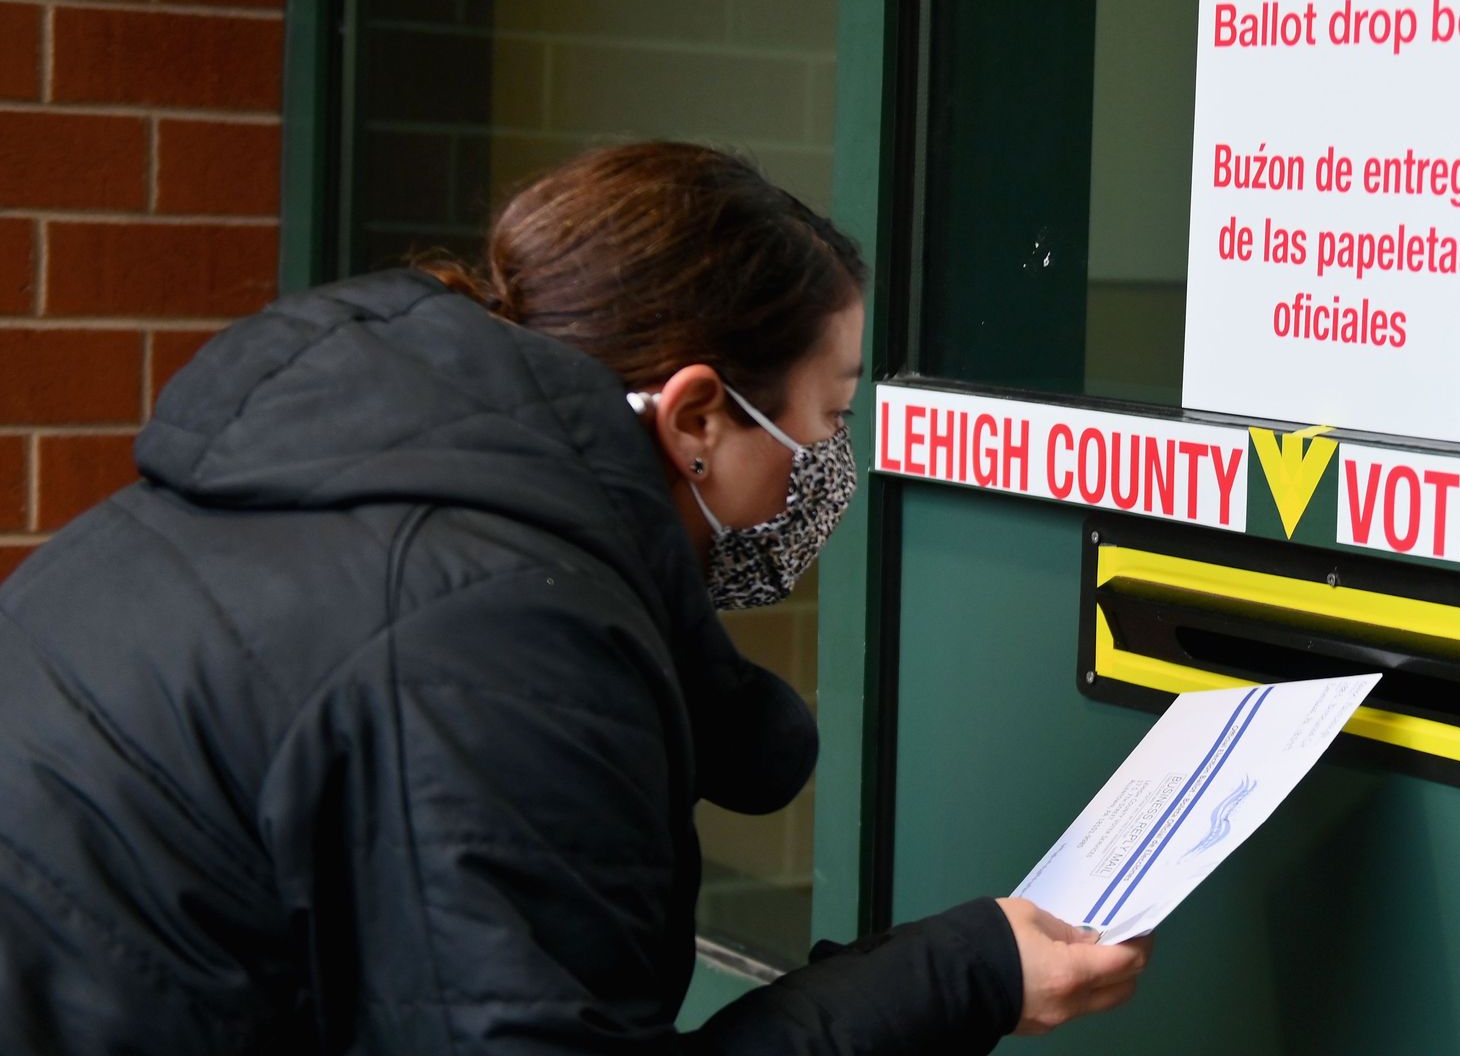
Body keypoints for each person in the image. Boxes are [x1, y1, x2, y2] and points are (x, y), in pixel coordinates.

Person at [0, 142, 1149, 1053]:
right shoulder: (500, 638)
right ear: (698, 416)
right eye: (830, 417)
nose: (828, 466)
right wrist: (958, 977)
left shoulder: (359, 494)